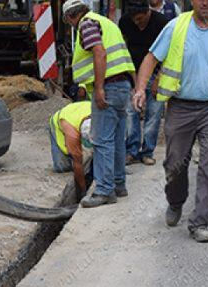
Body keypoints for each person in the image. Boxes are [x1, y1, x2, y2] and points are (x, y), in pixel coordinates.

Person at [133, 0, 208, 243]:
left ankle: (199, 222)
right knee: (174, 164)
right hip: (180, 106)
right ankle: (175, 201)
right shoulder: (176, 27)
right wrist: (141, 89)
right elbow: (151, 58)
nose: (204, 2)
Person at [63, 0, 136, 208]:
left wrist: (100, 88)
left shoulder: (86, 24)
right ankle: (119, 184)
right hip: (122, 85)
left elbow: (99, 51)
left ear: (70, 17)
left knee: (102, 140)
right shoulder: (106, 22)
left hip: (109, 87)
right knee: (117, 139)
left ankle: (104, 190)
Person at [119, 0, 168, 166]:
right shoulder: (125, 22)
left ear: (148, 12)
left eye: (140, 19)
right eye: (134, 20)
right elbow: (123, 49)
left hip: (156, 74)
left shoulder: (162, 23)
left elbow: (169, 55)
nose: (137, 23)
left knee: (153, 114)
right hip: (132, 74)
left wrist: (159, 79)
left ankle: (147, 151)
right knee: (131, 113)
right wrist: (131, 77)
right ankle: (131, 151)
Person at [48, 101, 93, 199]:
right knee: (62, 166)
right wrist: (82, 191)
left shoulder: (99, 117)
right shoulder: (72, 131)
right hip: (59, 122)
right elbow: (78, 161)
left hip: (76, 114)